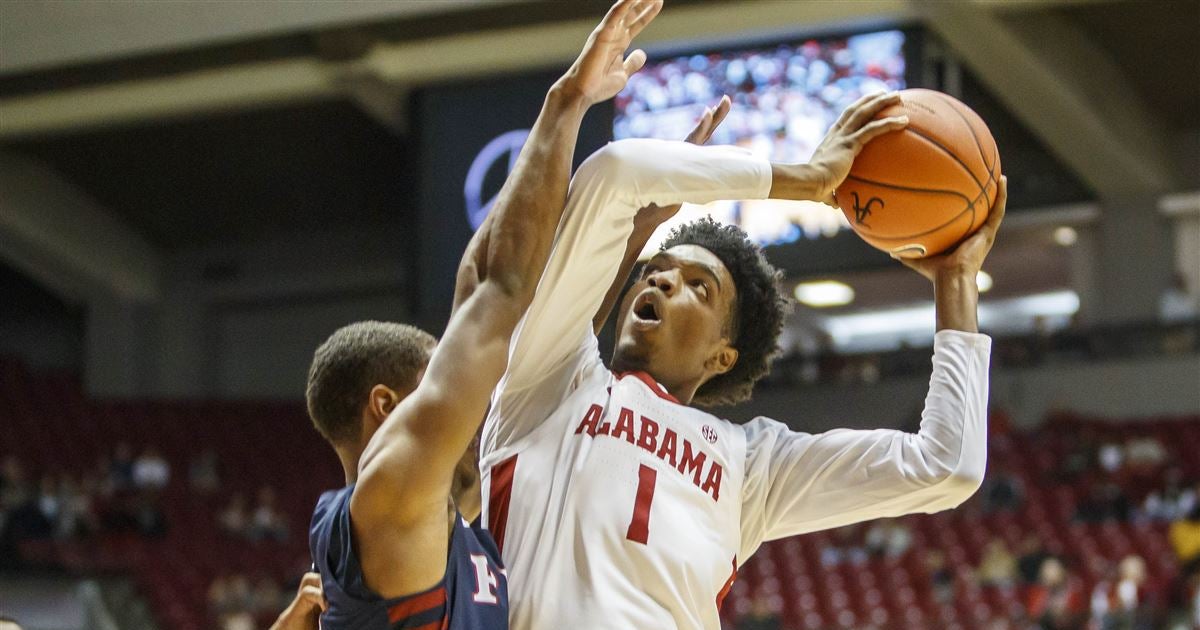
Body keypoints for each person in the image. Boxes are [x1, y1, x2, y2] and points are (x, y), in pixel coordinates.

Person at [477, 86, 1004, 627]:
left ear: (722, 356)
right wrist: (802, 179)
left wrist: (956, 282)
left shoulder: (751, 463)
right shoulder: (549, 380)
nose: (661, 276)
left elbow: (947, 467)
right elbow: (612, 173)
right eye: (657, 268)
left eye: (698, 287)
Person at [304, 2, 663, 628]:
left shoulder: (431, 503)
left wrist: (633, 234)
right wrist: (566, 103)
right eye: (435, 382)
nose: (471, 403)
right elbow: (502, 289)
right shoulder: (394, 492)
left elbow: (499, 309)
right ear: (386, 408)